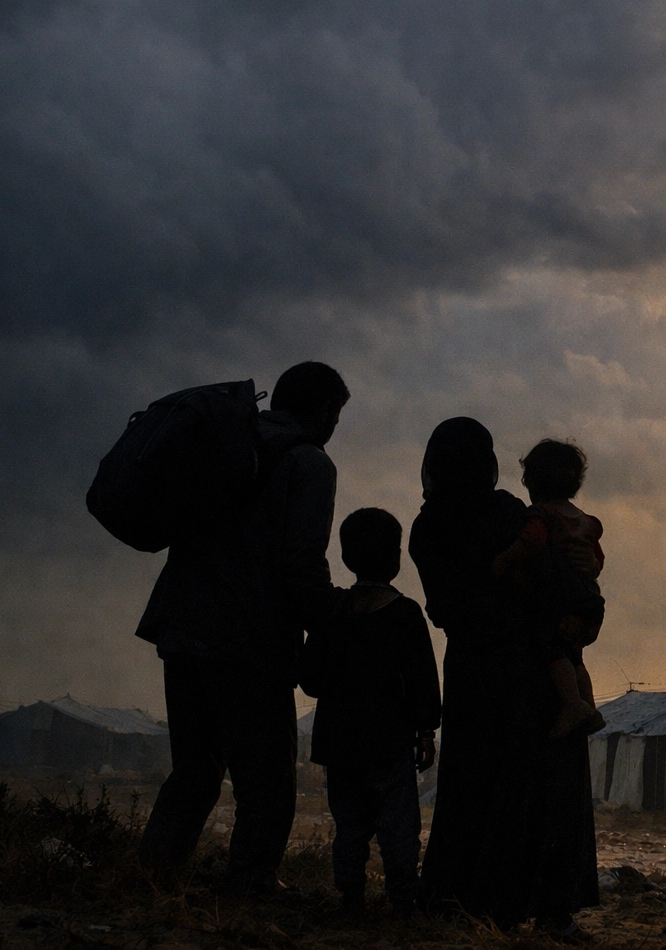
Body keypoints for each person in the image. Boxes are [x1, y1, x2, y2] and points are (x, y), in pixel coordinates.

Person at [136, 361, 349, 892]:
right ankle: (251, 883)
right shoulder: (309, 464)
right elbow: (302, 563)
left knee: (194, 770)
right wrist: (334, 625)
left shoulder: (223, 446)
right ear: (323, 411)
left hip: (182, 629)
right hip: (251, 641)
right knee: (268, 777)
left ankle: (152, 877)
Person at [410, 418, 599, 936]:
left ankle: (467, 901)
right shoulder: (506, 514)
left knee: (473, 789)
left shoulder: (427, 528)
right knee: (547, 790)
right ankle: (552, 911)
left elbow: (445, 608)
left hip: (474, 673)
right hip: (534, 667)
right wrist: (586, 596)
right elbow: (557, 583)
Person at [299, 508, 440, 915]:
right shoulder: (406, 614)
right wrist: (426, 732)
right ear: (396, 558)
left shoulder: (333, 611)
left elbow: (310, 678)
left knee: (350, 825)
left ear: (346, 558)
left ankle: (351, 898)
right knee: (397, 827)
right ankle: (402, 899)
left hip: (339, 745)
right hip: (389, 745)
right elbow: (422, 682)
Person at [493, 439, 607, 740]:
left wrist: (504, 560)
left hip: (561, 598)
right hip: (591, 597)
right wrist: (592, 570)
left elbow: (531, 542)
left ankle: (572, 704)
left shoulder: (542, 515)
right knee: (576, 655)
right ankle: (590, 705)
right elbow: (598, 559)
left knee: (552, 649)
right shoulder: (584, 521)